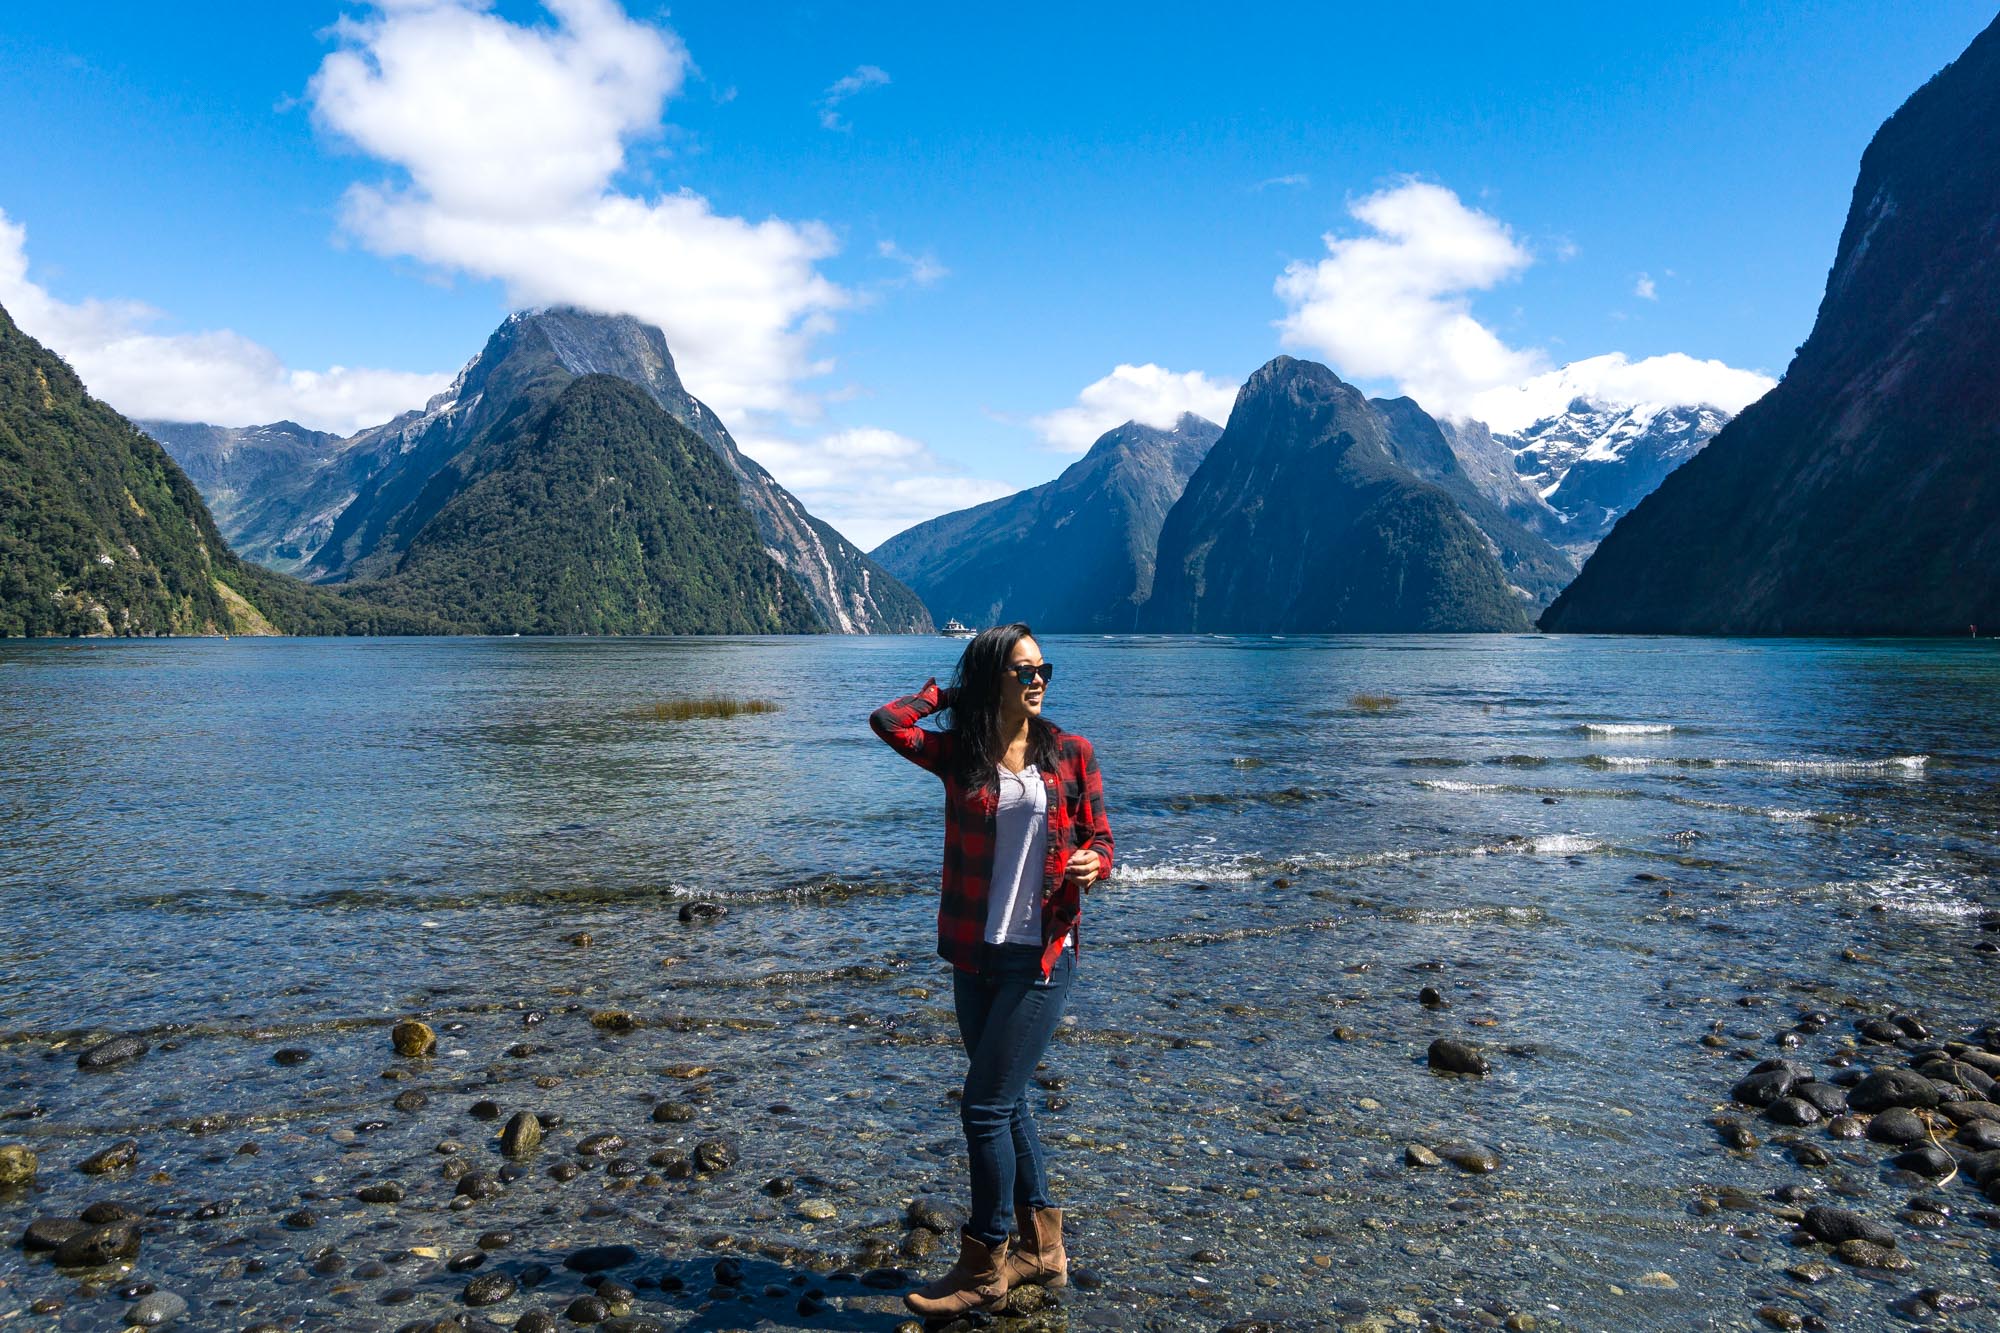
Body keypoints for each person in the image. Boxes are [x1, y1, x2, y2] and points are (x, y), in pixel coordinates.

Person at [869, 623, 1114, 1317]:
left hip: (1043, 954)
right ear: (993, 678)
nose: (1038, 680)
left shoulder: (1071, 751)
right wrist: (953, 692)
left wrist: (1098, 862)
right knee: (1007, 1103)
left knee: (984, 1106)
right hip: (976, 953)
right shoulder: (962, 755)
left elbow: (1101, 834)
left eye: (1043, 669)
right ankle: (1044, 1248)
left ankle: (986, 1259)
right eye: (1022, 670)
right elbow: (888, 720)